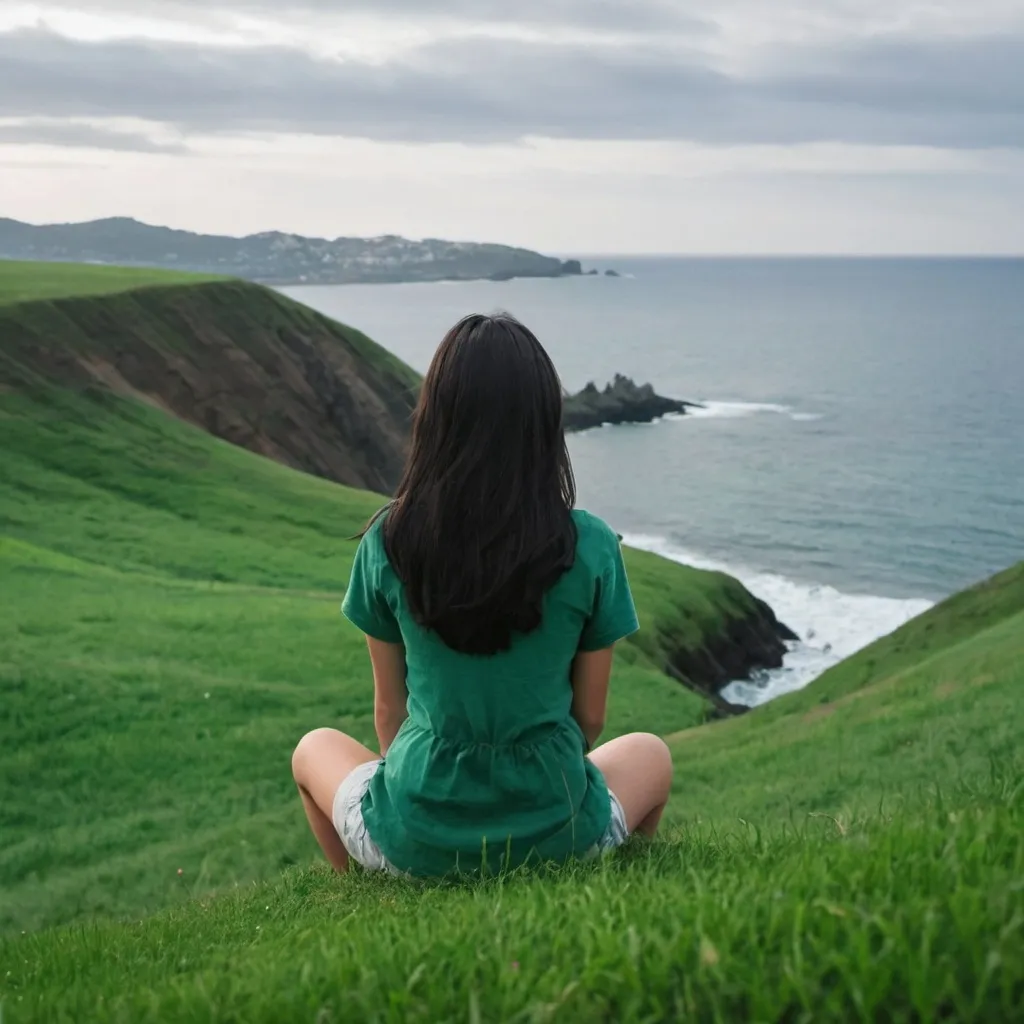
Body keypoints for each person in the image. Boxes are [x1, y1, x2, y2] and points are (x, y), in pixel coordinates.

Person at [292, 313, 673, 876]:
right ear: (543, 423)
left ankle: (365, 887)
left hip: (414, 840)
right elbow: (589, 718)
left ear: (436, 420)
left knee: (313, 748)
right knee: (651, 753)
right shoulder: (589, 545)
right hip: (562, 832)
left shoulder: (389, 541)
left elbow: (389, 714)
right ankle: (603, 874)